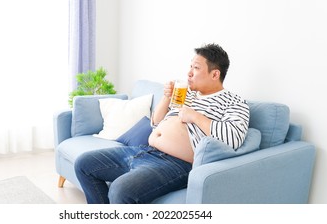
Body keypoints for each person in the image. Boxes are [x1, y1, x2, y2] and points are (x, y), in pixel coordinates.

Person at [74, 43, 250, 204]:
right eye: (190, 66)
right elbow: (156, 123)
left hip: (176, 164)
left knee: (120, 190)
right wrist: (167, 97)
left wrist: (195, 116)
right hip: (145, 150)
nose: (189, 72)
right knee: (84, 164)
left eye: (196, 68)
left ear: (215, 74)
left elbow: (233, 138)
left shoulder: (234, 102)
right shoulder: (186, 94)